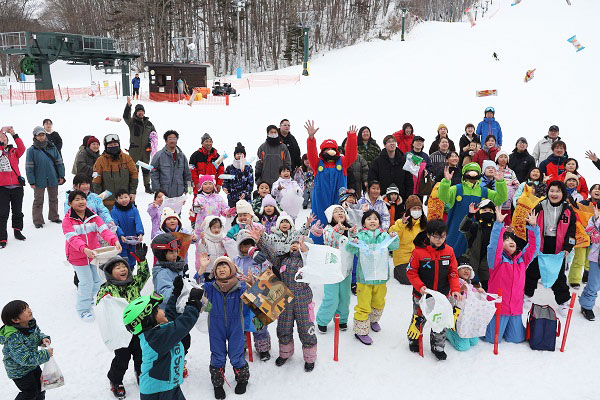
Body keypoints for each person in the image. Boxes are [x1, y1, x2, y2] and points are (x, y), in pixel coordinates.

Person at [252, 227, 318, 372]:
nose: (295, 245)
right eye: (293, 243)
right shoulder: (282, 259)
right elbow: (269, 252)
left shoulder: (308, 262)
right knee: (283, 328)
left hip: (303, 299)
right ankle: (285, 353)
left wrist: (305, 251)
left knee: (306, 329)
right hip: (284, 298)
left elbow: (314, 262)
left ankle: (309, 357)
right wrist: (259, 239)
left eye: (299, 243)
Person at [123, 287, 204, 400]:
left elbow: (170, 315)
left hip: (168, 386)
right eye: (158, 309)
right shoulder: (155, 338)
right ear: (149, 318)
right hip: (157, 393)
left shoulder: (156, 331)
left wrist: (175, 294)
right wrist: (193, 304)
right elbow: (183, 325)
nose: (162, 310)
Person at [95, 244, 149, 398]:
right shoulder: (107, 289)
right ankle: (115, 380)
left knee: (141, 354)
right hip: (121, 331)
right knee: (122, 358)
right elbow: (101, 304)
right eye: (117, 267)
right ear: (110, 273)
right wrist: (104, 300)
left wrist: (143, 261)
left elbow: (144, 275)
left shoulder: (134, 283)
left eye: (123, 266)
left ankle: (140, 372)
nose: (122, 269)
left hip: (139, 328)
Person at [196, 255, 251, 399]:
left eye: (225, 266)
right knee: (217, 355)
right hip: (216, 326)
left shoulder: (240, 287)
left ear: (232, 269)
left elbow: (255, 300)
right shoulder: (210, 288)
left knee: (237, 355)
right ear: (214, 271)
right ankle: (218, 383)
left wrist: (252, 285)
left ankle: (242, 380)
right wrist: (202, 269)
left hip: (236, 326)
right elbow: (194, 286)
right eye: (218, 267)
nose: (221, 269)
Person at [483, 207, 539, 344]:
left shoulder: (522, 260)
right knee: (492, 339)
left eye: (511, 239)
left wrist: (533, 227)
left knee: (517, 339)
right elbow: (493, 246)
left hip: (515, 309)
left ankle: (510, 328)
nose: (510, 241)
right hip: (498, 309)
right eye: (506, 240)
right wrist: (498, 225)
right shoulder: (496, 261)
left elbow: (534, 248)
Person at [406, 219, 460, 360]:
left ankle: (438, 346)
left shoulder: (449, 251)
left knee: (439, 319)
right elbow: (411, 271)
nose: (440, 239)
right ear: (429, 235)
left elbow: (453, 272)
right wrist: (419, 286)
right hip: (422, 294)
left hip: (442, 295)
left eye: (443, 236)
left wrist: (455, 288)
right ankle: (414, 339)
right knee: (419, 317)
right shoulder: (418, 252)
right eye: (436, 236)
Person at [63, 190, 121, 321]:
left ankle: (91, 301)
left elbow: (104, 230)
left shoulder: (93, 217)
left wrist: (114, 240)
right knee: (85, 282)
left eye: (82, 199)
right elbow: (72, 238)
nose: (81, 202)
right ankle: (83, 309)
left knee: (98, 280)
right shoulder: (67, 221)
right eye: (77, 199)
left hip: (94, 254)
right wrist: (84, 249)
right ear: (70, 203)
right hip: (77, 256)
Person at [523, 181, 576, 317]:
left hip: (558, 245)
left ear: (563, 193)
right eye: (552, 191)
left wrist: (567, 247)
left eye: (558, 191)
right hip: (540, 243)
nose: (554, 194)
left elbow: (572, 231)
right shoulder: (540, 206)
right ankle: (526, 295)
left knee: (558, 275)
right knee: (532, 271)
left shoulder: (568, 210)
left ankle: (563, 301)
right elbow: (528, 223)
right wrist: (532, 235)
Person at [347, 210, 399, 345]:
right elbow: (350, 249)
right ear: (364, 222)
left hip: (381, 277)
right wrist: (353, 240)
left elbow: (394, 246)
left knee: (379, 301)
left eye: (375, 219)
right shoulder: (361, 235)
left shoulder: (384, 236)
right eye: (369, 218)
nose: (372, 221)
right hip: (364, 277)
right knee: (363, 304)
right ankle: (361, 330)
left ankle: (373, 320)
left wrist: (394, 237)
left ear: (379, 222)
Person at [437, 162, 508, 256]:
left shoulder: (485, 191)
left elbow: (501, 199)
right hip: (456, 230)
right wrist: (446, 182)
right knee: (454, 255)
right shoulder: (456, 189)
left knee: (474, 258)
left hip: (478, 232)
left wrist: (500, 182)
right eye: (470, 171)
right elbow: (443, 197)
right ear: (464, 174)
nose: (472, 174)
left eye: (475, 171)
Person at [306, 121, 357, 244]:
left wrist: (352, 138)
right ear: (322, 151)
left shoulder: (343, 162)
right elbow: (311, 153)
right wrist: (311, 138)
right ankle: (317, 245)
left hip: (338, 198)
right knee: (319, 220)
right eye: (326, 149)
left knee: (339, 220)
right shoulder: (317, 163)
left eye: (332, 149)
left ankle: (340, 244)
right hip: (320, 199)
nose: (329, 151)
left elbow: (352, 155)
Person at [316, 205, 357, 333]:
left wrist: (355, 238)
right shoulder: (328, 229)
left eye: (342, 211)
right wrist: (337, 229)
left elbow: (354, 248)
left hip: (346, 269)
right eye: (336, 212)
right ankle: (322, 320)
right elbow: (329, 238)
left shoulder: (350, 229)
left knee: (345, 297)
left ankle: (342, 319)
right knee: (332, 297)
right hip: (331, 269)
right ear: (330, 216)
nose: (340, 213)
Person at [0, 300, 52, 400]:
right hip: (19, 371)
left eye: (27, 307)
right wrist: (45, 354)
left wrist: (42, 339)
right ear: (15, 320)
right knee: (30, 392)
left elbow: (37, 334)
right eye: (24, 310)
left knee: (41, 387)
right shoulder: (13, 337)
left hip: (32, 365)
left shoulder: (30, 324)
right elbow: (25, 359)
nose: (29, 310)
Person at [231, 230, 271, 360]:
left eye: (250, 245)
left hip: (257, 296)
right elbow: (231, 274)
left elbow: (268, 274)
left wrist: (262, 260)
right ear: (239, 247)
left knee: (259, 323)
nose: (247, 248)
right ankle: (241, 346)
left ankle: (263, 348)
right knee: (240, 323)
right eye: (244, 245)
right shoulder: (235, 260)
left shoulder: (259, 259)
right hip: (239, 297)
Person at [26, 126, 65, 229]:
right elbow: (29, 167)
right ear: (35, 136)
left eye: (43, 134)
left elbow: (59, 162)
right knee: (38, 200)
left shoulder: (52, 147)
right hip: (39, 178)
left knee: (54, 198)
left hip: (52, 177)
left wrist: (61, 175)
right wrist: (31, 181)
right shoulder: (31, 150)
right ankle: (38, 220)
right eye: (39, 135)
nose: (42, 137)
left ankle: (54, 216)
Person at [92, 134, 138, 210]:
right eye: (110, 144)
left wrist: (133, 192)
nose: (113, 146)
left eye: (115, 144)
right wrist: (99, 198)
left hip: (125, 201)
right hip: (108, 203)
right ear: (106, 146)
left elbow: (134, 175)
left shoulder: (127, 158)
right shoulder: (100, 161)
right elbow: (96, 181)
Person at [445, 260, 483, 351]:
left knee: (474, 342)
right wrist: (461, 289)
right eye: (463, 269)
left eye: (468, 269)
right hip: (456, 316)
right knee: (463, 347)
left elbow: (473, 292)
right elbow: (451, 295)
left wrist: (478, 290)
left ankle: (462, 333)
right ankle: (448, 332)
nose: (466, 271)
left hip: (466, 316)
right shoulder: (454, 282)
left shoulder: (469, 283)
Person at [389, 195, 426, 285]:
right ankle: (397, 271)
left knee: (425, 277)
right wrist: (402, 224)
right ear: (408, 210)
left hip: (418, 256)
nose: (417, 210)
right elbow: (391, 234)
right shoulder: (400, 222)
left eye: (418, 208)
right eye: (414, 208)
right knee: (409, 280)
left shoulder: (424, 223)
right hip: (403, 257)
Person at [459, 200, 497, 290]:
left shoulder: (496, 228)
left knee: (487, 285)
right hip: (472, 258)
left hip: (487, 261)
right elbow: (463, 229)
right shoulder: (475, 226)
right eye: (484, 210)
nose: (487, 212)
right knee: (466, 284)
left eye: (490, 211)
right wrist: (470, 215)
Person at [123, 97, 156, 193]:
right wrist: (128, 106)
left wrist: (151, 145)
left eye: (142, 111)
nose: (140, 113)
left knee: (146, 169)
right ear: (136, 112)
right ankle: (133, 188)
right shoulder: (132, 122)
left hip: (146, 151)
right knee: (134, 170)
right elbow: (126, 117)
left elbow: (154, 136)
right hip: (134, 151)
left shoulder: (149, 124)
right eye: (138, 111)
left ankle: (147, 186)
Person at [0, 126, 26, 247]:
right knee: (3, 213)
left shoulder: (14, 151)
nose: (3, 139)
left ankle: (17, 230)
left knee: (17, 211)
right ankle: (2, 237)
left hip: (17, 186)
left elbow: (22, 148)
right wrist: (1, 134)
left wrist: (13, 134)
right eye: (1, 138)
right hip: (2, 188)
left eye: (5, 138)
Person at [367, 134, 413, 199]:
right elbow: (372, 180)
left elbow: (409, 181)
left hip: (401, 198)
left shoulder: (404, 160)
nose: (392, 143)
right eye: (389, 142)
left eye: (393, 141)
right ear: (384, 145)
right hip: (382, 198)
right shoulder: (377, 161)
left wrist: (408, 197)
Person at [150, 130, 192, 198]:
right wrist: (157, 191)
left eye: (174, 138)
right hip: (164, 193)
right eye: (170, 139)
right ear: (166, 141)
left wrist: (187, 189)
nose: (172, 141)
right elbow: (154, 173)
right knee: (165, 209)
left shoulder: (182, 156)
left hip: (179, 193)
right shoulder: (159, 155)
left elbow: (187, 174)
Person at [111, 189, 144, 267]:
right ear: (116, 199)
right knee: (123, 260)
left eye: (126, 197)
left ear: (129, 197)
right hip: (121, 240)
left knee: (133, 260)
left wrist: (140, 233)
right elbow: (115, 225)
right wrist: (120, 235)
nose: (124, 200)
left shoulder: (134, 210)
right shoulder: (114, 211)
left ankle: (131, 272)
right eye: (121, 198)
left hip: (133, 240)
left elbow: (138, 221)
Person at [580, 206, 600, 321]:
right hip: (597, 259)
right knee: (594, 284)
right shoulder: (596, 218)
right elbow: (592, 236)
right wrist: (596, 219)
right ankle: (586, 306)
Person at [195, 216, 226, 281]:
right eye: (214, 227)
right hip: (208, 270)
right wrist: (203, 241)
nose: (217, 230)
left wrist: (225, 244)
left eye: (218, 227)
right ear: (208, 228)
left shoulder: (222, 239)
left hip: (220, 270)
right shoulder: (205, 239)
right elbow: (201, 251)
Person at [222, 142, 254, 208]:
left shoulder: (248, 167)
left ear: (244, 155)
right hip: (232, 198)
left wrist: (245, 193)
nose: (239, 155)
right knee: (233, 215)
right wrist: (225, 187)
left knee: (245, 214)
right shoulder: (229, 168)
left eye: (241, 154)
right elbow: (225, 181)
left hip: (245, 198)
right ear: (235, 155)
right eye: (237, 154)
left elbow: (251, 183)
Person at [496, 150, 519, 224]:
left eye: (505, 157)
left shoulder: (511, 172)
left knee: (506, 219)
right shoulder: (493, 169)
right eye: (501, 157)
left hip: (507, 201)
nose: (503, 159)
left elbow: (516, 184)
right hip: (496, 198)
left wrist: (511, 185)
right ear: (497, 159)